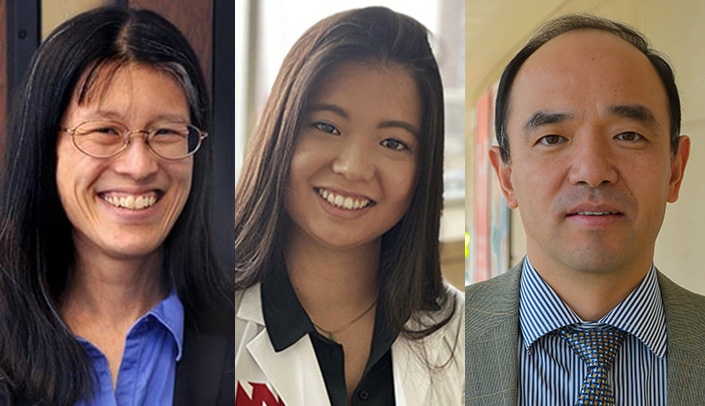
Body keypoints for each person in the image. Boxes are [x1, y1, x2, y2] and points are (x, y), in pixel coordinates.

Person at [466, 13, 705, 404]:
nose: (592, 171)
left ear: (675, 170)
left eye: (628, 135)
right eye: (552, 138)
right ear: (507, 178)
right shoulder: (438, 343)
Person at [0, 7, 233, 406]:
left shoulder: (241, 337)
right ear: (45, 147)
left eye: (166, 132)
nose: (139, 166)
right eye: (106, 131)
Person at [235, 6, 464, 406]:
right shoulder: (203, 317)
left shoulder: (471, 336)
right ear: (281, 131)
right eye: (327, 126)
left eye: (393, 143)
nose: (354, 168)